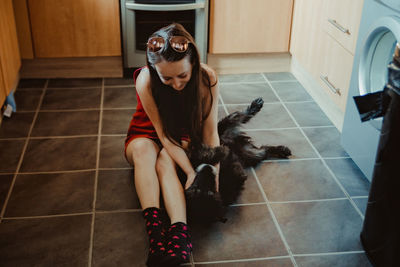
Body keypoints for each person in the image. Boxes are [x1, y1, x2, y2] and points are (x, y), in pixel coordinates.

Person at [124, 23, 219, 266]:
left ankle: (179, 233)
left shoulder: (207, 79)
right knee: (146, 151)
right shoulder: (145, 79)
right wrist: (188, 171)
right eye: (166, 77)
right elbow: (161, 134)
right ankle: (156, 234)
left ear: (194, 64)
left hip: (183, 135)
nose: (176, 84)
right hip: (149, 131)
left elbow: (210, 133)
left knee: (166, 158)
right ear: (154, 69)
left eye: (183, 76)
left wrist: (211, 177)